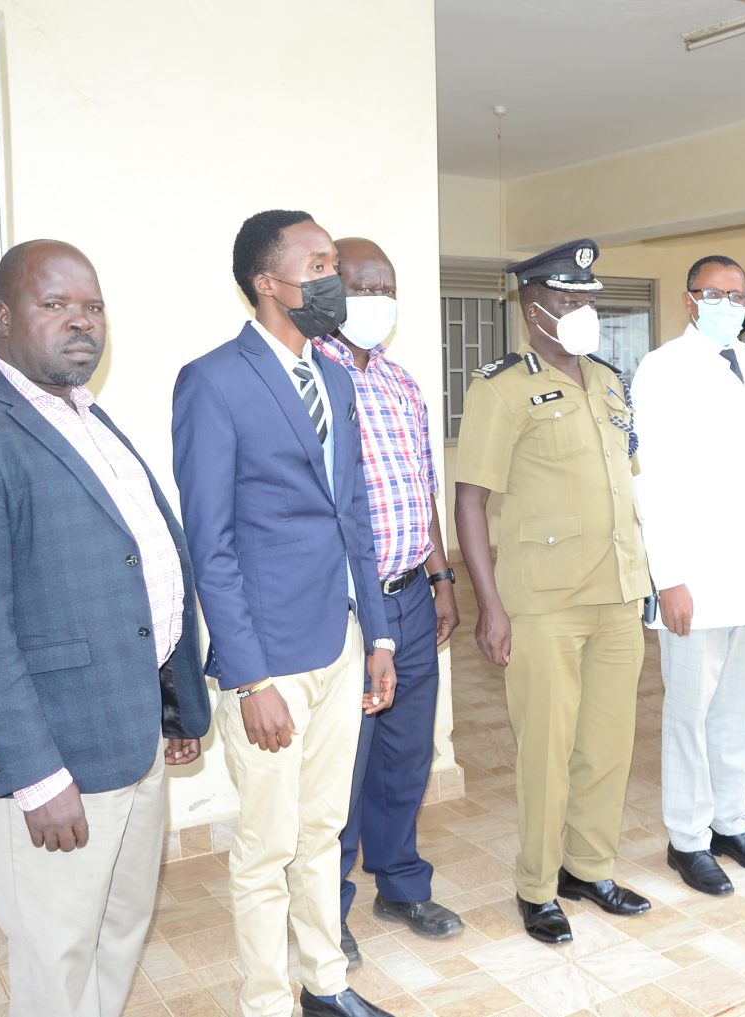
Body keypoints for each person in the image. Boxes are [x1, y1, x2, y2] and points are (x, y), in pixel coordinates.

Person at [0, 240, 210, 1017]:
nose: (82, 321)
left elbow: (141, 574)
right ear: (4, 316)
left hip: (130, 739)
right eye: (56, 304)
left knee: (119, 931)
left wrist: (172, 705)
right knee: (55, 959)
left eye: (94, 306)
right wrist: (38, 777)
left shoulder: (91, 421)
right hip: (57, 766)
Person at [172, 210, 396, 1017]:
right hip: (268, 656)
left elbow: (355, 515)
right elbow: (212, 543)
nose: (333, 278)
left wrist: (375, 632)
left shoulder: (336, 375)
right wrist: (248, 674)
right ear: (269, 282)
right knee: (265, 846)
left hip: (339, 641)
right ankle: (265, 1003)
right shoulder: (214, 380)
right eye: (320, 263)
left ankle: (326, 986)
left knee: (323, 828)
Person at [455, 239, 652, 946]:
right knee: (546, 748)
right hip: (542, 602)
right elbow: (472, 501)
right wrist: (491, 605)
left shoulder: (607, 379)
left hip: (616, 591)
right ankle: (537, 884)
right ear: (530, 306)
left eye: (587, 297)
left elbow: (626, 481)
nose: (580, 310)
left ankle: (589, 866)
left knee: (607, 744)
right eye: (565, 300)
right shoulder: (501, 387)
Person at [313, 237, 462, 961]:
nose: (376, 295)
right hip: (349, 610)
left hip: (410, 596)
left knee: (407, 751)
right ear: (330, 290)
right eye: (360, 283)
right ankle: (328, 906)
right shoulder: (312, 377)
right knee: (348, 760)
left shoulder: (402, 381)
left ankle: (400, 881)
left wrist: (441, 576)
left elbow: (421, 489)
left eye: (386, 284)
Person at [632, 254, 745, 896]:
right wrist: (667, 575)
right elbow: (650, 480)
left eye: (738, 294)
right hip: (693, 573)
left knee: (739, 709)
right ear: (689, 299)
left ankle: (731, 821)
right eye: (714, 293)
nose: (728, 303)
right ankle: (688, 839)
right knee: (690, 713)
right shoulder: (662, 369)